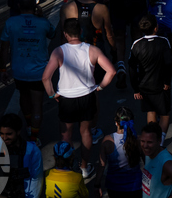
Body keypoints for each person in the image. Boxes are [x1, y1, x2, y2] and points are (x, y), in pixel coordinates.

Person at [42, 18, 117, 179]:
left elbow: (46, 78)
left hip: (66, 99)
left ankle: (67, 168)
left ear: (65, 34)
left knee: (66, 136)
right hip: (87, 96)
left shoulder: (59, 51)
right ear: (80, 32)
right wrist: (100, 87)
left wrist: (52, 94)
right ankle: (84, 168)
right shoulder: (92, 50)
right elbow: (111, 71)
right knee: (86, 132)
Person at [0, 0, 53, 145]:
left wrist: (2, 69)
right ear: (35, 6)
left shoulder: (11, 23)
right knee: (37, 103)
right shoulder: (43, 22)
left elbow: (4, 48)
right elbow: (53, 33)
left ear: (18, 6)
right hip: (39, 72)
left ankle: (29, 126)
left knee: (24, 96)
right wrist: (42, 16)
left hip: (19, 71)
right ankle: (34, 138)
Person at [128, 14, 172, 140]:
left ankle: (151, 139)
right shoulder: (163, 42)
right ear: (156, 28)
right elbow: (168, 64)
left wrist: (136, 89)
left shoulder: (136, 44)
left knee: (151, 111)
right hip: (161, 85)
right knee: (165, 114)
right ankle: (160, 141)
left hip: (144, 87)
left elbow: (132, 69)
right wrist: (167, 82)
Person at [0, 113, 44, 198]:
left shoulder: (32, 151)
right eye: (1, 133)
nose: (4, 138)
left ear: (18, 132)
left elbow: (36, 179)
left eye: (9, 134)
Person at [98, 107, 142, 198]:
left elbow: (101, 165)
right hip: (135, 186)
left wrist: (96, 184)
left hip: (115, 187)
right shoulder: (138, 140)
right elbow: (148, 161)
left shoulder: (108, 141)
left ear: (116, 123)